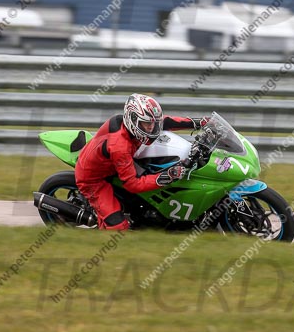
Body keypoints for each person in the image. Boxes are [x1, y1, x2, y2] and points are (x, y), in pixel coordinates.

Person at [75, 93, 207, 230]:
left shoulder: (133, 127)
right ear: (133, 120)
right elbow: (132, 184)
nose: (152, 128)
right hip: (94, 178)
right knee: (119, 227)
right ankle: (96, 223)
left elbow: (166, 122)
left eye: (153, 124)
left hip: (115, 163)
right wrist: (167, 177)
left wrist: (199, 123)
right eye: (147, 124)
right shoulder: (120, 147)